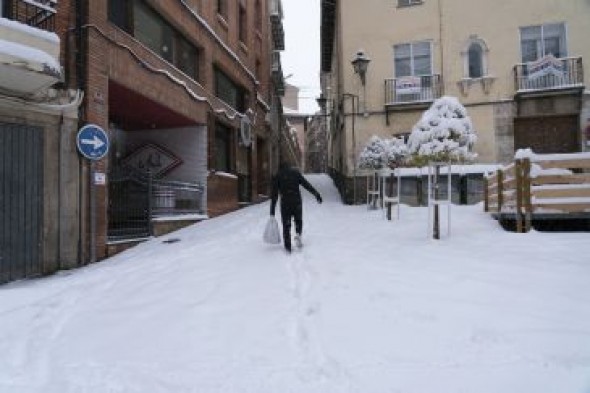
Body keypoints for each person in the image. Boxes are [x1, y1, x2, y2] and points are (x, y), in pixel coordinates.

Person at [270, 162, 322, 253]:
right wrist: (316, 194)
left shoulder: (278, 175)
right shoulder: (295, 173)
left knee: (286, 225)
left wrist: (272, 211)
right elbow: (306, 185)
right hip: (296, 201)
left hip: (285, 203)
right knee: (298, 220)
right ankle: (298, 233)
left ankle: (288, 247)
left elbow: (274, 195)